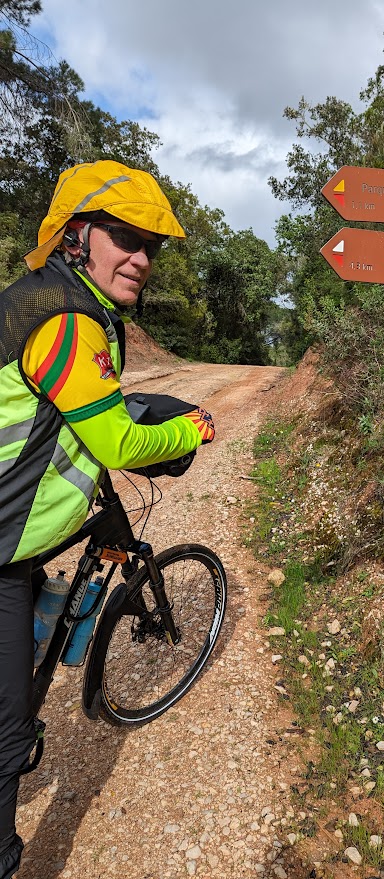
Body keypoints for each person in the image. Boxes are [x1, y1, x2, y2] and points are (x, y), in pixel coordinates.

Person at [0, 160, 215, 878]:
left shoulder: (62, 303)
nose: (142, 258)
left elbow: (80, 409)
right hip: (0, 545)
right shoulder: (64, 318)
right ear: (75, 237)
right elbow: (118, 441)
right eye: (125, 236)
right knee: (6, 733)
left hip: (18, 538)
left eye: (151, 244)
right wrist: (193, 432)